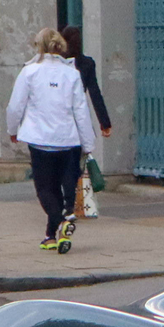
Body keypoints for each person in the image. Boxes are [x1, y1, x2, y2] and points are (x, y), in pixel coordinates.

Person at [5, 28, 99, 253]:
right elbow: (81, 111)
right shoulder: (72, 73)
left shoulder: (30, 72)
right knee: (66, 186)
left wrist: (12, 129)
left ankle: (62, 218)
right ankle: (52, 234)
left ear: (39, 46)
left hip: (40, 140)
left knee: (45, 189)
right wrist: (88, 144)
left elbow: (15, 106)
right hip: (68, 141)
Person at [61, 25, 111, 218]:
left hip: (60, 117)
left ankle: (66, 200)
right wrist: (104, 122)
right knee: (77, 161)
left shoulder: (60, 65)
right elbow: (95, 93)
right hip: (79, 117)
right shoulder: (87, 63)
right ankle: (76, 200)